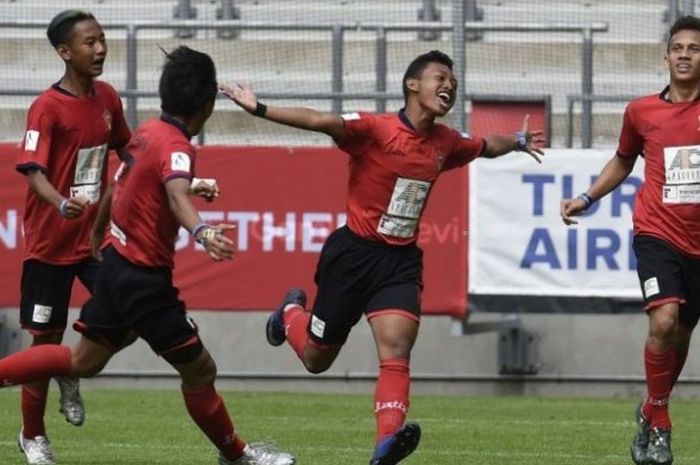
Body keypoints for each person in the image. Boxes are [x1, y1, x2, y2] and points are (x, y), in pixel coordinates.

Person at [219, 49, 545, 465]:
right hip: (353, 256)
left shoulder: (446, 142)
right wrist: (259, 108)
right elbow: (321, 121)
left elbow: (485, 146)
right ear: (412, 85)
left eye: (453, 81)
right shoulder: (375, 129)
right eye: (439, 77)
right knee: (318, 359)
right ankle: (289, 314)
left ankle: (385, 446)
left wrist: (516, 142)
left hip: (399, 261)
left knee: (397, 348)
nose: (449, 85)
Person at [0, 46, 295, 465]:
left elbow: (122, 185)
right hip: (143, 281)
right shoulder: (177, 146)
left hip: (117, 266)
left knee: (82, 360)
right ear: (208, 106)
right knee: (200, 371)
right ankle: (237, 455)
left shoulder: (147, 132)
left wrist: (100, 232)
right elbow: (175, 194)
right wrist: (203, 230)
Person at [559, 15, 700, 465]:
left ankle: (649, 408)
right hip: (657, 232)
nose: (684, 54)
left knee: (679, 334)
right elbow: (622, 162)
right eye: (677, 47)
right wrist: (587, 196)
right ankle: (661, 425)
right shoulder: (642, 112)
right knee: (662, 322)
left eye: (693, 48)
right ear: (666, 56)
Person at [14, 10, 132, 465]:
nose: (100, 49)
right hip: (49, 245)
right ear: (65, 52)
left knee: (134, 311)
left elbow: (130, 148)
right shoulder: (46, 107)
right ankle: (33, 435)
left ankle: (72, 367)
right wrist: (61, 203)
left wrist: (179, 179)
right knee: (44, 344)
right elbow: (33, 171)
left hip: (96, 241)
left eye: (102, 39)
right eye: (89, 42)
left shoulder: (107, 97)